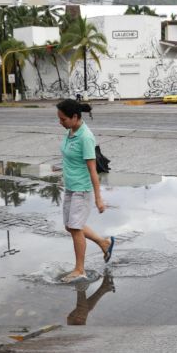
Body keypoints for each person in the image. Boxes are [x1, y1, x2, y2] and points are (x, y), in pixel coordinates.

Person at [56, 99, 115, 283]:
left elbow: (92, 171)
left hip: (82, 189)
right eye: (59, 118)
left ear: (75, 117)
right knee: (70, 226)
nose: (60, 122)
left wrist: (98, 199)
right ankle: (104, 243)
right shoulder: (70, 131)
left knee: (75, 228)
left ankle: (80, 269)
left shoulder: (85, 137)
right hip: (70, 187)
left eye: (63, 119)